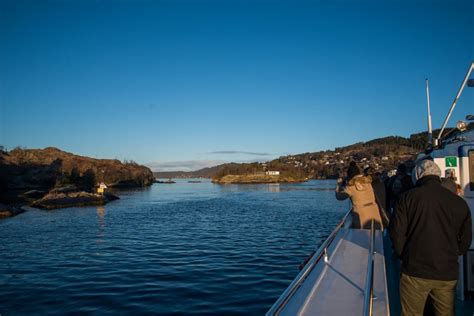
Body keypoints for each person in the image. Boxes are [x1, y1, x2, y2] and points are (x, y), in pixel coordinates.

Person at [389, 160, 472, 316]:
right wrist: (453, 253)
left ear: (417, 176)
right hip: (447, 271)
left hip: (415, 270)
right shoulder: (458, 202)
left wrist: (405, 256)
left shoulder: (406, 198)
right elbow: (466, 240)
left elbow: (396, 234)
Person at [336, 162, 383, 229]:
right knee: (375, 235)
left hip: (361, 214)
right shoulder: (368, 182)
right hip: (374, 212)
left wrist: (338, 185)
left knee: (361, 235)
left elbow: (339, 197)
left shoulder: (351, 187)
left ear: (350, 175)